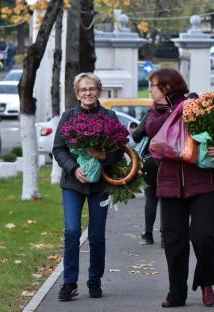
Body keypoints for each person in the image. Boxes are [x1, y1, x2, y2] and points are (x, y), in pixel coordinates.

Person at [145, 68, 214, 308]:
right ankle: (176, 292)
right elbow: (152, 130)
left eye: (153, 85)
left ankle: (206, 282)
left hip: (203, 183)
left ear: (167, 88)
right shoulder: (155, 112)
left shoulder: (196, 106)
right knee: (173, 240)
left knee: (205, 236)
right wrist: (175, 112)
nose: (149, 90)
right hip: (170, 185)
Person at [52, 72, 123, 301]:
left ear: (98, 91)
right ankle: (69, 282)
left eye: (91, 89)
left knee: (97, 235)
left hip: (100, 185)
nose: (87, 93)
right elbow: (58, 149)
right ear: (77, 93)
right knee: (72, 231)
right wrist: (74, 168)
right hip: (73, 183)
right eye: (83, 90)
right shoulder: (69, 117)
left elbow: (119, 151)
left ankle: (94, 281)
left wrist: (103, 156)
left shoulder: (109, 116)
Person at [132, 112, 162, 246]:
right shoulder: (175, 109)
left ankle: (148, 234)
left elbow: (136, 135)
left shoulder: (152, 112)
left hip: (149, 160)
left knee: (151, 198)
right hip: (169, 159)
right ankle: (165, 235)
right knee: (167, 198)